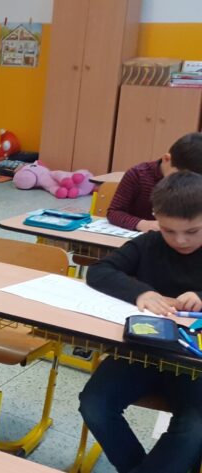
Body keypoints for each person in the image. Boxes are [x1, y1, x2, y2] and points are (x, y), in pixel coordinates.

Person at [83, 171, 202, 473]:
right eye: (168, 230)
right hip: (143, 350)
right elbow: (98, 271)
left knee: (195, 427)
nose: (180, 240)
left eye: (193, 231)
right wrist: (141, 292)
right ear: (156, 218)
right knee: (95, 404)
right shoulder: (149, 243)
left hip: (195, 361)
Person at [107, 132, 202, 232]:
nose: (186, 182)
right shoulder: (138, 175)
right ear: (166, 159)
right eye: (179, 175)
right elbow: (114, 212)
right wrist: (141, 224)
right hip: (143, 235)